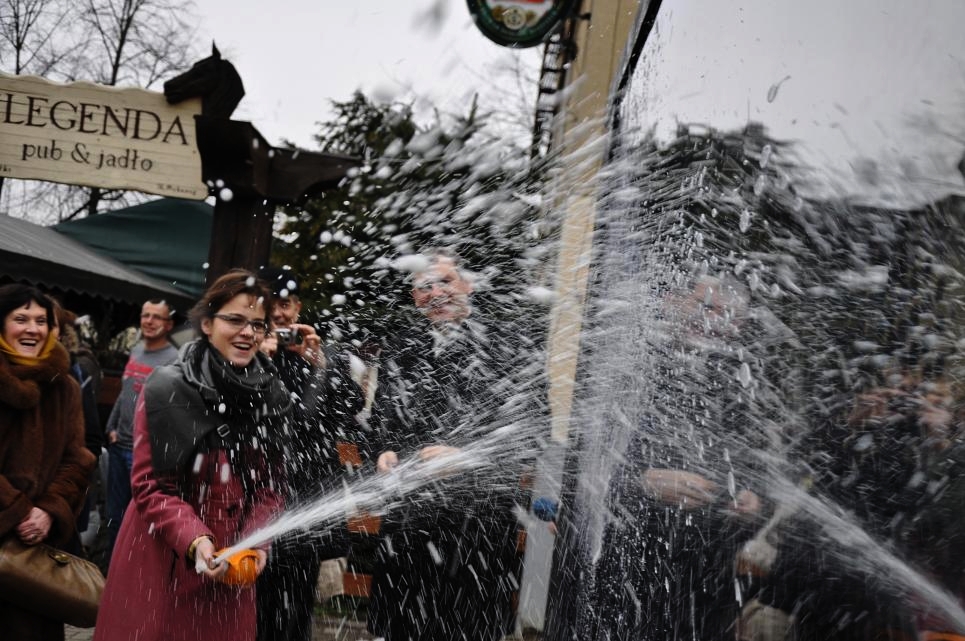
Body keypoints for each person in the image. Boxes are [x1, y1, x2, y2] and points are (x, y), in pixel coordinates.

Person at [94, 270, 292, 641]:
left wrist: (255, 543)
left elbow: (270, 487)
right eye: (234, 320)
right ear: (206, 323)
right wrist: (196, 540)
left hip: (233, 566)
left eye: (258, 325)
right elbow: (151, 486)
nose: (248, 333)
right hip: (163, 560)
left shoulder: (272, 396)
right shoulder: (167, 386)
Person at [578, 274, 774, 641]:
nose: (712, 319)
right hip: (628, 554)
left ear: (740, 325)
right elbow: (587, 459)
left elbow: (762, 466)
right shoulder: (635, 362)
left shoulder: (748, 381)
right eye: (705, 307)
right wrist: (641, 482)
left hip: (707, 570)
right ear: (678, 303)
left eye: (726, 314)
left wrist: (755, 498)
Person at [366, 250, 537, 641]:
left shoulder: (508, 345)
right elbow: (378, 424)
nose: (435, 293)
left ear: (468, 285)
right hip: (408, 524)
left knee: (467, 629)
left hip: (477, 528)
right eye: (424, 286)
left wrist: (469, 458)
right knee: (400, 628)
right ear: (414, 297)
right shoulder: (400, 347)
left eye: (445, 281)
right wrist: (384, 451)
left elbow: (531, 434)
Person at [255, 267, 362, 641]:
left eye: (284, 305)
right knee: (253, 597)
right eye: (270, 306)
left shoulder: (321, 354)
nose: (278, 315)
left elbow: (351, 408)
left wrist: (322, 366)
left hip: (306, 495)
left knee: (297, 599)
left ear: (298, 308)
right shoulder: (248, 352)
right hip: (258, 492)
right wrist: (260, 358)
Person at [0, 284, 97, 641]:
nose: (33, 329)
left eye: (41, 320)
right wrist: (17, 508)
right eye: (20, 318)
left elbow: (78, 460)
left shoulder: (64, 386)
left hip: (32, 555)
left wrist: (48, 511)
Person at [102, 299, 178, 567]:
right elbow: (125, 394)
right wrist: (111, 427)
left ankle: (127, 575)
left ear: (168, 324)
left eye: (156, 317)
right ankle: (108, 575)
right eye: (145, 315)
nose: (149, 321)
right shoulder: (135, 350)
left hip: (142, 454)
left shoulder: (174, 360)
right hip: (118, 445)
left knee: (136, 522)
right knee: (113, 517)